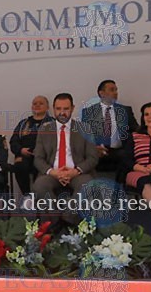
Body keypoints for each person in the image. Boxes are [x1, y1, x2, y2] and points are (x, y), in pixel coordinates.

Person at [33, 93, 98, 225]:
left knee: (86, 184)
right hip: (53, 172)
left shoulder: (85, 128)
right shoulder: (45, 129)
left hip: (78, 173)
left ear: (72, 108)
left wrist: (75, 171)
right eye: (58, 109)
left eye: (66, 109)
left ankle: (68, 220)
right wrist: (54, 172)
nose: (62, 112)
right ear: (53, 109)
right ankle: (54, 221)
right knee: (39, 186)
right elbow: (38, 159)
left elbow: (93, 157)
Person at [80, 80, 137, 173]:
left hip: (120, 150)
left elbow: (135, 131)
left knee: (125, 157)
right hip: (98, 150)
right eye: (112, 90)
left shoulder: (125, 110)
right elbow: (85, 136)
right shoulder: (89, 112)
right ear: (101, 93)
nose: (115, 93)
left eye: (116, 90)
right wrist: (94, 148)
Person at [10, 95, 53, 195]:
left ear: (47, 107)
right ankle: (27, 195)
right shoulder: (23, 124)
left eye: (41, 103)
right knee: (19, 166)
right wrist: (21, 150)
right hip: (25, 156)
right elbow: (14, 141)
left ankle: (40, 197)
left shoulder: (53, 123)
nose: (37, 105)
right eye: (35, 103)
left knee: (41, 168)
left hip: (46, 157)